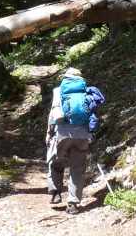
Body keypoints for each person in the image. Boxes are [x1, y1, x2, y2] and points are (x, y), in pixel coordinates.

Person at [45, 67, 105, 214]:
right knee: (77, 168)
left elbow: (53, 114)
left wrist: (49, 133)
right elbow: (93, 113)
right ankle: (73, 203)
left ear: (66, 78)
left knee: (56, 162)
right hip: (82, 134)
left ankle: (55, 192)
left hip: (62, 134)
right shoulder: (87, 91)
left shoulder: (58, 91)